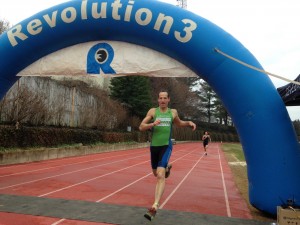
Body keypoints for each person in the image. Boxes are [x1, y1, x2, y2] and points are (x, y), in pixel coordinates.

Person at [139, 91, 196, 221]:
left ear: (169, 99)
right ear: (158, 100)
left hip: (166, 145)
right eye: (160, 98)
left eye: (165, 98)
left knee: (160, 175)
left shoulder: (173, 112)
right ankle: (167, 168)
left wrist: (189, 123)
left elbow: (179, 123)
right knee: (155, 173)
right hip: (154, 146)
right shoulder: (153, 111)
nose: (163, 100)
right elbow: (141, 127)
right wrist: (152, 124)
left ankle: (154, 206)